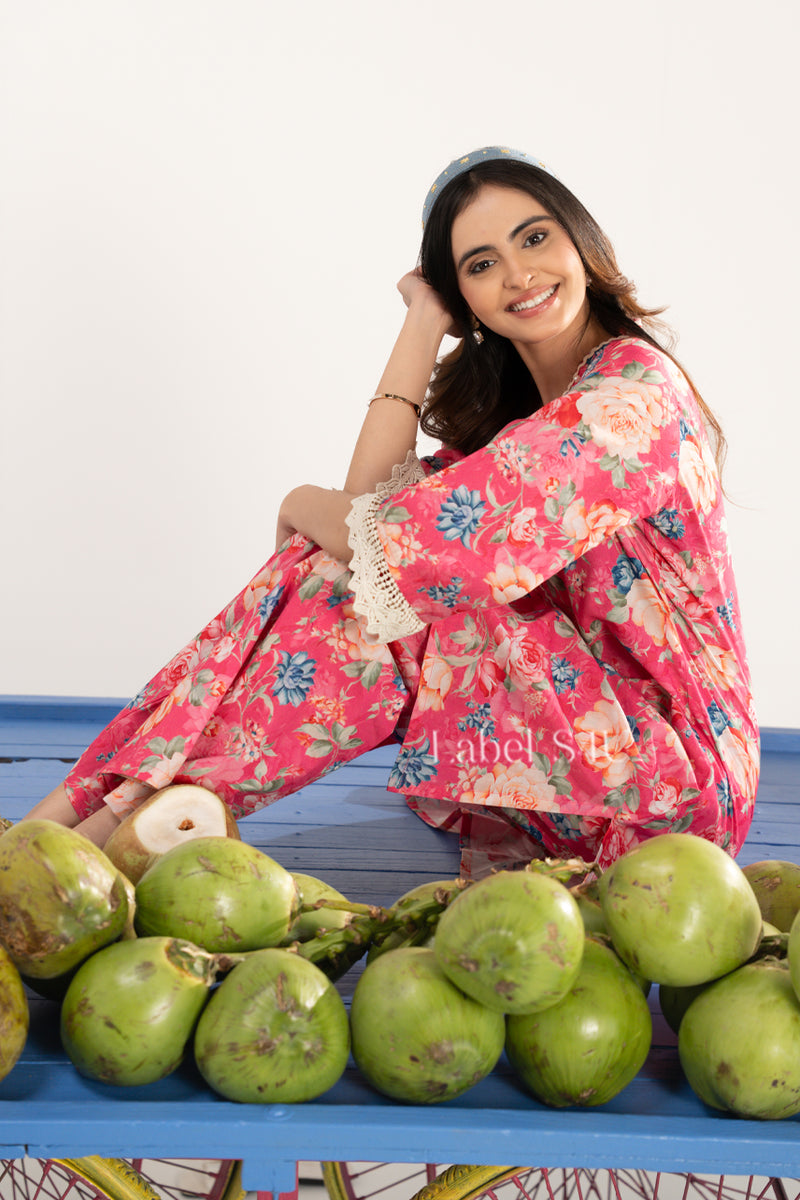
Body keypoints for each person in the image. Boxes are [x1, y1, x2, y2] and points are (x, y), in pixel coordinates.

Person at [23, 146, 759, 877]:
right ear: (464, 296)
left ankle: (90, 831)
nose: (518, 274)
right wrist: (423, 319)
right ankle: (88, 823)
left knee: (371, 586)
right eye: (481, 264)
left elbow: (398, 543)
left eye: (535, 238)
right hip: (592, 756)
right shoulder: (528, 422)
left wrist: (298, 502)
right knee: (357, 573)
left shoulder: (630, 397)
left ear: (581, 241)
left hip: (673, 792)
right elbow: (372, 508)